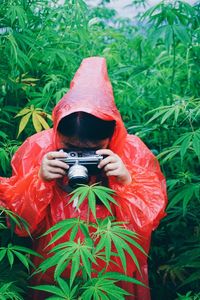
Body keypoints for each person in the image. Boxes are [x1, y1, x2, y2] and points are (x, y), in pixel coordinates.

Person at [0, 57, 167, 299]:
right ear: (58, 131)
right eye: (70, 148)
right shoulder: (38, 148)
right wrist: (38, 181)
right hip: (54, 272)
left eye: (92, 150)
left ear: (113, 133)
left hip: (111, 277)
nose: (79, 157)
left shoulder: (133, 152)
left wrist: (126, 181)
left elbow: (147, 222)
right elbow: (17, 223)